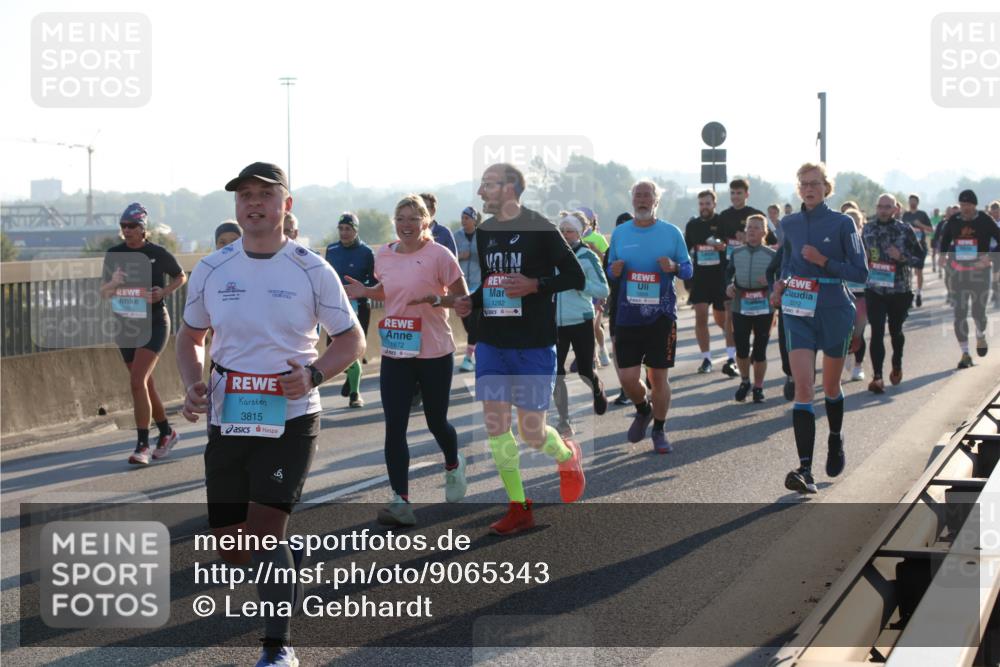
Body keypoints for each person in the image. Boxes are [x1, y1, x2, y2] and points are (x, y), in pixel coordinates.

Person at [177, 162, 364, 667]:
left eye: (265, 194)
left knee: (261, 535)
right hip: (228, 415)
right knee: (234, 550)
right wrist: (193, 383)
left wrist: (314, 375)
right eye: (244, 196)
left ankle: (277, 647)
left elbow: (351, 339)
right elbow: (192, 336)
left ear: (287, 204)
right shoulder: (214, 268)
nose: (253, 203)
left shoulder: (311, 269)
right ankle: (286, 553)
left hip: (292, 417)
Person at [453, 163, 587, 536]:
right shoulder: (484, 232)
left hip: (533, 343)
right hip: (493, 343)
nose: (481, 193)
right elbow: (494, 283)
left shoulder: (541, 228)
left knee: (531, 432)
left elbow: (576, 276)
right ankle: (518, 506)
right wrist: (470, 301)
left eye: (487, 185)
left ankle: (567, 454)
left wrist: (536, 284)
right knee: (496, 427)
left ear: (509, 188)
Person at [344, 195, 468, 526]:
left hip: (434, 351)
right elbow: (389, 290)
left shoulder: (440, 255)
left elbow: (462, 299)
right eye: (401, 218)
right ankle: (401, 501)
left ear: (426, 223)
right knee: (394, 425)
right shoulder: (383, 254)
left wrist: (438, 300)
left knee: (435, 421)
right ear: (394, 222)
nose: (407, 224)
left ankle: (453, 464)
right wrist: (367, 292)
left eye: (414, 218)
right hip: (396, 351)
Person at [771, 163, 867, 495]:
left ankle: (835, 437)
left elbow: (860, 273)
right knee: (803, 388)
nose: (809, 188)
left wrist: (824, 261)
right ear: (799, 189)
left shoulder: (843, 224)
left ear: (827, 187)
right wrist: (780, 284)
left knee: (831, 386)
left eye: (815, 183)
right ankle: (805, 469)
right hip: (798, 309)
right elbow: (786, 262)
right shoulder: (790, 224)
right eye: (804, 184)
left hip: (835, 309)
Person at [606, 180, 693, 454]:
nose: (642, 200)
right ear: (632, 200)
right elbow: (609, 270)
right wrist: (614, 270)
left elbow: (688, 270)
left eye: (648, 196)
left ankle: (659, 429)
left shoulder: (671, 232)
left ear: (656, 201)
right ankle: (643, 409)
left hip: (661, 316)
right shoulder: (619, 233)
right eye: (638, 195)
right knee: (628, 377)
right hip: (628, 314)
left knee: (658, 377)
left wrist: (675, 266)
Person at [100, 202, 186, 465]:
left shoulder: (157, 253)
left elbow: (181, 276)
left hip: (155, 324)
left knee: (137, 382)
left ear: (143, 228)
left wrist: (164, 292)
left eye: (132, 226)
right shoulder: (114, 254)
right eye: (123, 226)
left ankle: (142, 446)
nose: (126, 231)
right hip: (126, 326)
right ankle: (167, 432)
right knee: (145, 384)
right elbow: (104, 293)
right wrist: (113, 283)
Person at [553, 211, 610, 436]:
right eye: (562, 231)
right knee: (556, 373)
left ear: (580, 233)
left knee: (585, 370)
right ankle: (564, 420)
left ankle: (597, 389)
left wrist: (581, 284)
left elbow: (603, 289)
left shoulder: (587, 256)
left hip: (581, 320)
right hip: (556, 323)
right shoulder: (551, 256)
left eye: (570, 231)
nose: (565, 235)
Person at [861, 194, 924, 393]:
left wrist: (902, 257)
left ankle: (897, 363)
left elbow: (920, 258)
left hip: (899, 290)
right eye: (880, 206)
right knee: (877, 332)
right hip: (875, 289)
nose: (883, 210)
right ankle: (877, 377)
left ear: (895, 209)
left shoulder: (905, 230)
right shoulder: (868, 228)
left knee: (895, 331)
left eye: (887, 207)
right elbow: (861, 255)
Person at [936, 189, 1000, 368]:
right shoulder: (954, 221)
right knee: (959, 313)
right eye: (962, 205)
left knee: (978, 312)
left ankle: (980, 335)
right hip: (959, 272)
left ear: (974, 205)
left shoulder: (985, 220)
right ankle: (965, 353)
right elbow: (945, 238)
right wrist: (942, 254)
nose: (964, 208)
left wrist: (989, 257)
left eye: (967, 205)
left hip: (980, 271)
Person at [717, 178, 771, 378]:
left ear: (746, 194)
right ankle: (739, 370)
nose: (735, 197)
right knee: (733, 329)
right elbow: (720, 245)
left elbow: (775, 250)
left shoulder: (755, 214)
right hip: (738, 285)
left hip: (762, 298)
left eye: (739, 193)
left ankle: (757, 385)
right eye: (732, 193)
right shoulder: (724, 217)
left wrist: (771, 283)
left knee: (759, 346)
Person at [324, 212, 376, 408]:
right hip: (335, 306)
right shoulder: (332, 249)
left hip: (360, 306)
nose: (344, 233)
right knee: (335, 349)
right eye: (341, 229)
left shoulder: (366, 252)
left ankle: (355, 393)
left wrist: (360, 290)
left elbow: (374, 281)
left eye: (348, 229)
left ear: (356, 231)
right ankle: (350, 377)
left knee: (354, 349)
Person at [724, 215, 776, 402]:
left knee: (760, 350)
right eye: (749, 227)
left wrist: (770, 282)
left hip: (764, 304)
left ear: (764, 232)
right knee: (742, 348)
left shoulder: (771, 255)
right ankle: (745, 381)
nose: (752, 230)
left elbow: (779, 278)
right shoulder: (737, 253)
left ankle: (759, 387)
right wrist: (729, 285)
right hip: (741, 303)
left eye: (756, 227)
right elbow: (729, 273)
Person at [684, 189, 728, 374]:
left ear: (714, 204)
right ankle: (706, 359)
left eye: (707, 204)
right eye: (701, 204)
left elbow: (731, 246)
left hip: (720, 277)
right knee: (701, 317)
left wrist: (722, 246)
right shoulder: (693, 225)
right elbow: (685, 250)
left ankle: (733, 354)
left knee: (722, 320)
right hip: (700, 278)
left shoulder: (721, 222)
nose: (704, 207)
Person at [607, 212, 634, 406]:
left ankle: (643, 379)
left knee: (642, 346)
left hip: (642, 305)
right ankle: (624, 387)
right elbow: (606, 278)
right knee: (617, 345)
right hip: (618, 304)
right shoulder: (611, 250)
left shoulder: (644, 247)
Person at [578, 206, 612, 367]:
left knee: (594, 325)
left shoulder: (598, 238)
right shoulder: (571, 238)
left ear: (591, 220)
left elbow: (608, 261)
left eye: (584, 217)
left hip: (597, 287)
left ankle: (602, 350)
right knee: (585, 325)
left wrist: (596, 251)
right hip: (580, 288)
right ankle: (591, 357)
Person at [454, 206, 483, 372]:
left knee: (474, 321)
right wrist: (460, 256)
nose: (463, 221)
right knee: (467, 324)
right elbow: (450, 256)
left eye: (467, 218)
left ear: (474, 220)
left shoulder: (482, 235)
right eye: (462, 217)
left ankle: (467, 358)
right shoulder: (456, 236)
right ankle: (479, 352)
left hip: (478, 285)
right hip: (462, 285)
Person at [841, 208, 869, 382]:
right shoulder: (837, 243)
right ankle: (848, 354)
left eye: (855, 223)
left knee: (858, 332)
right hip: (842, 294)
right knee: (842, 332)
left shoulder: (867, 243)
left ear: (860, 224)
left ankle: (858, 366)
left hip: (862, 294)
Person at [901, 194, 934, 308]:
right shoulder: (905, 215)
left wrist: (920, 225)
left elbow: (931, 230)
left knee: (919, 271)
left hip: (920, 246)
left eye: (914, 201)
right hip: (908, 247)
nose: (912, 203)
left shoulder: (922, 214)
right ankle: (909, 293)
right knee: (908, 271)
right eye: (910, 201)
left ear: (917, 202)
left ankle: (919, 292)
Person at [419, 192, 457, 256]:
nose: (421, 211)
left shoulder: (444, 233)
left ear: (433, 210)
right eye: (419, 208)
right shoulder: (413, 233)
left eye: (425, 208)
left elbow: (453, 262)